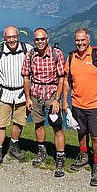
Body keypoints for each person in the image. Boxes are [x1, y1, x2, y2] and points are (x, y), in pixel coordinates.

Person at [62, 28, 97, 186]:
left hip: (95, 105)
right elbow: (67, 81)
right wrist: (64, 100)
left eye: (83, 40)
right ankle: (83, 155)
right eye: (77, 40)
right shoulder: (71, 57)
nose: (80, 43)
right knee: (81, 132)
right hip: (77, 103)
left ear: (88, 40)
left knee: (95, 136)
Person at [0, 25, 33, 170]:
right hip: (3, 93)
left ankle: (13, 145)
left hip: (21, 94)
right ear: (4, 38)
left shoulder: (28, 49)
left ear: (18, 36)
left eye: (14, 37)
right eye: (8, 37)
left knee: (19, 122)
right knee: (1, 124)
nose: (12, 40)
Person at [22, 28, 66, 177]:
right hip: (35, 94)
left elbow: (61, 77)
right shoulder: (30, 54)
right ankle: (42, 151)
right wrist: (28, 98)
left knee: (57, 126)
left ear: (47, 39)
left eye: (42, 39)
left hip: (52, 94)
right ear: (34, 41)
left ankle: (60, 157)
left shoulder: (56, 54)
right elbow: (26, 77)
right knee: (38, 123)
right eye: (37, 39)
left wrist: (57, 99)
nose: (40, 42)